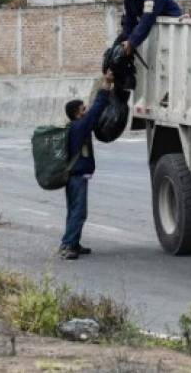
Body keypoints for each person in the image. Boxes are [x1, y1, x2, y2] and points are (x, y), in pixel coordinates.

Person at [60, 70, 115, 260]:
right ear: (77, 114)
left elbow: (92, 110)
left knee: (73, 210)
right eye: (83, 109)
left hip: (71, 176)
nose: (85, 111)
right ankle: (67, 246)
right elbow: (97, 108)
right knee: (79, 211)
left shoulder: (72, 127)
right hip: (77, 177)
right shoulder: (80, 126)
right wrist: (106, 84)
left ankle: (73, 242)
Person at [116, 0, 182, 55]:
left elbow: (146, 20)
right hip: (155, 28)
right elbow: (129, 19)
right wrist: (124, 39)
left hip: (172, 28)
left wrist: (131, 42)